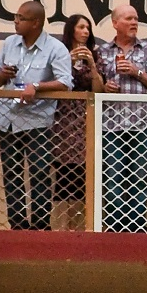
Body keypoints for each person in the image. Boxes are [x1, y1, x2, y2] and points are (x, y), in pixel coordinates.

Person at [90, 3, 147, 232]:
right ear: (115, 23)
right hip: (111, 125)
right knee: (113, 180)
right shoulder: (102, 52)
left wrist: (137, 72)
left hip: (143, 125)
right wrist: (106, 86)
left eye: (136, 19)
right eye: (128, 19)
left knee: (140, 178)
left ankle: (136, 230)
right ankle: (117, 228)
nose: (134, 23)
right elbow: (95, 88)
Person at [0, 0, 72, 231]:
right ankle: (17, 225)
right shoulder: (9, 43)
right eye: (15, 17)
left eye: (21, 18)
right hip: (7, 118)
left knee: (39, 172)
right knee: (11, 173)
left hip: (37, 121)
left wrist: (36, 86)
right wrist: (1, 74)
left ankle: (40, 226)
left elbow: (66, 82)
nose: (15, 21)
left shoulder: (55, 48)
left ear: (35, 22)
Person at [49, 13, 96, 229]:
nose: (85, 31)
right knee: (61, 171)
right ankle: (59, 226)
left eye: (88, 28)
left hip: (85, 118)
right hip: (63, 119)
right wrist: (67, 59)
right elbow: (52, 79)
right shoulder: (58, 52)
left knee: (81, 173)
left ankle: (79, 227)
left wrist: (92, 65)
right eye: (81, 27)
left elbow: (99, 89)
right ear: (71, 30)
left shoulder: (94, 55)